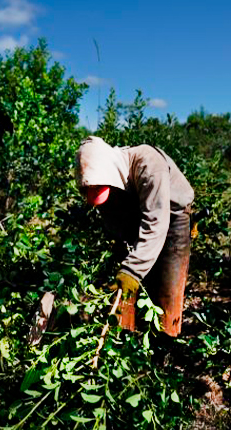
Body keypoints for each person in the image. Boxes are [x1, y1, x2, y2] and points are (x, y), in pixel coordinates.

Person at [75, 136, 194, 337]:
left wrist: (132, 270)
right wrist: (124, 256)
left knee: (166, 292)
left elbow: (156, 223)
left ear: (110, 174)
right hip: (137, 215)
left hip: (172, 217)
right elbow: (114, 222)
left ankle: (165, 345)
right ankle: (124, 341)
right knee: (122, 288)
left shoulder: (148, 164)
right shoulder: (105, 184)